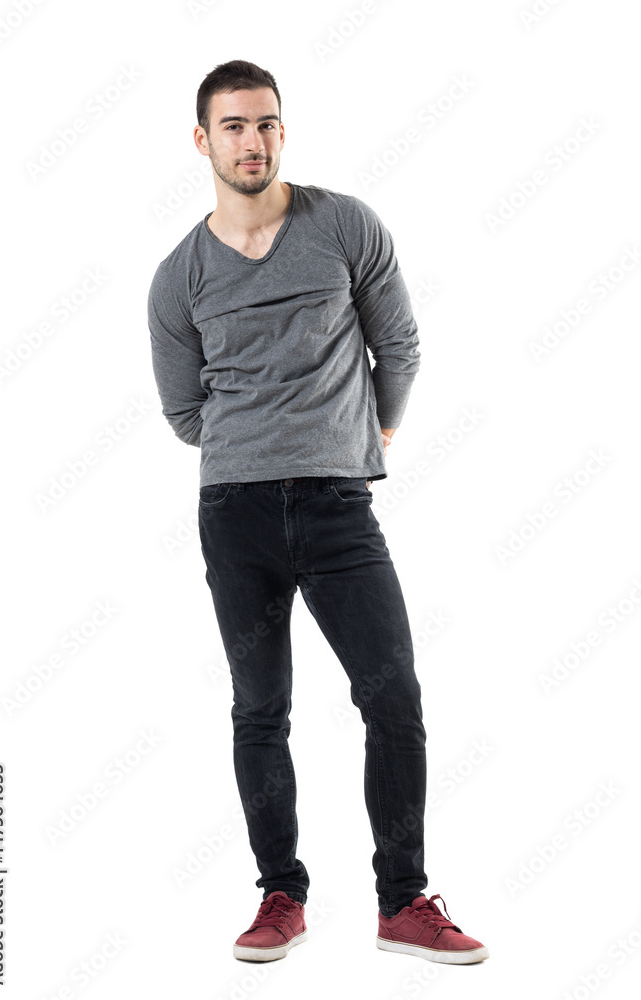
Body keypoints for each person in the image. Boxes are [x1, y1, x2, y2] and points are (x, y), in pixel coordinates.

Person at [148, 59, 488, 966]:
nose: (251, 141)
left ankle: (402, 900)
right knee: (260, 709)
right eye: (231, 127)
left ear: (281, 131)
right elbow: (184, 414)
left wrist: (366, 432)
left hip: (340, 508)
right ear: (202, 141)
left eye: (264, 124)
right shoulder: (177, 276)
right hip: (235, 512)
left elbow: (398, 344)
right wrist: (254, 443)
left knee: (394, 698)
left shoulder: (343, 226)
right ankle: (279, 896)